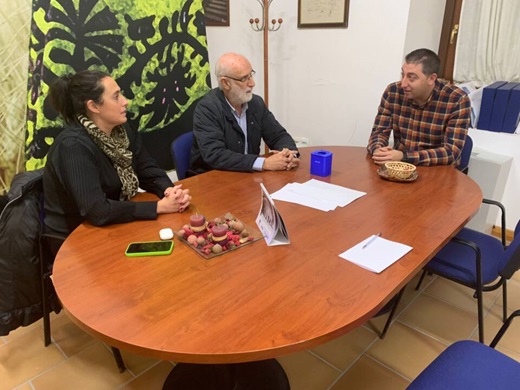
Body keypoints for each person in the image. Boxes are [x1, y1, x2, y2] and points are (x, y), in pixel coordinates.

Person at [43, 70, 191, 238]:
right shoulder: (72, 146)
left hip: (116, 224)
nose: (125, 102)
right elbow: (97, 210)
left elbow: (148, 171)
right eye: (116, 97)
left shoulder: (123, 130)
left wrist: (170, 192)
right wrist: (159, 207)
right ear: (93, 106)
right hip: (76, 237)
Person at [190, 52, 300, 174]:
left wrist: (289, 155)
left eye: (251, 75)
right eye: (244, 78)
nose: (252, 83)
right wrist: (264, 163)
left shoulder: (256, 103)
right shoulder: (207, 108)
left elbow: (279, 136)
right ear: (226, 83)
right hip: (214, 179)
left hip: (247, 176)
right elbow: (215, 155)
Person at [367, 48, 471, 166]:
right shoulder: (393, 92)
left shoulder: (457, 100)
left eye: (411, 77)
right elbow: (379, 132)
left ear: (431, 79)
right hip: (399, 169)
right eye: (403, 75)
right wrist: (378, 150)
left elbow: (451, 153)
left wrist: (403, 156)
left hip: (437, 171)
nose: (403, 84)